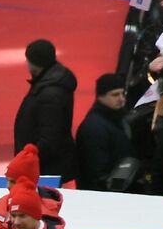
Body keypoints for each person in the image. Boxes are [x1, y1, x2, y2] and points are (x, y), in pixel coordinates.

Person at [13, 39, 78, 182]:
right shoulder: (49, 83)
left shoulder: (50, 94)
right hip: (46, 165)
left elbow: (49, 138)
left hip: (45, 170)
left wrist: (26, 161)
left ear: (34, 63)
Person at [74, 73, 132, 190]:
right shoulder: (94, 127)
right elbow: (95, 171)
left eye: (123, 93)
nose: (121, 99)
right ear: (100, 97)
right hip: (102, 193)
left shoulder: (117, 118)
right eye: (115, 95)